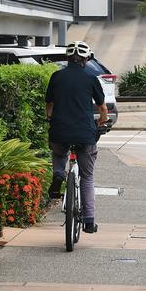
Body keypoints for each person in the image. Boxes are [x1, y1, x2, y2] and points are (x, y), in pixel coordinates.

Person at [45, 40, 108, 234]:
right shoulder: (91, 78)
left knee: (59, 153)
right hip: (85, 133)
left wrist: (50, 118)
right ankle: (89, 221)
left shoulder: (56, 76)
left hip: (60, 130)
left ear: (67, 58)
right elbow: (102, 107)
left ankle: (58, 174)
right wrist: (102, 122)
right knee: (87, 176)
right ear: (86, 59)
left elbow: (49, 105)